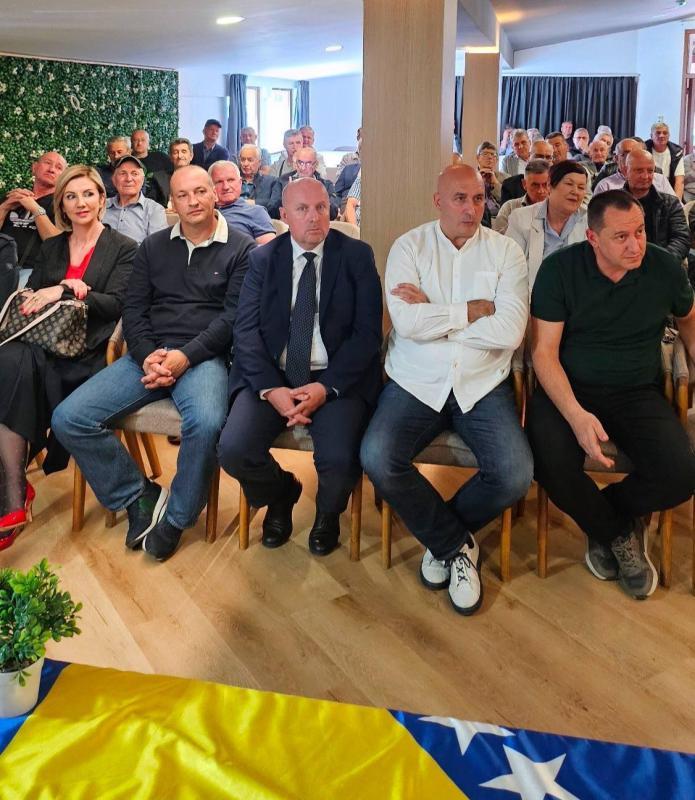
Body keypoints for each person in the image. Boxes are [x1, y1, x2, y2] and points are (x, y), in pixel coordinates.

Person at [52, 166, 255, 562]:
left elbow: (232, 318)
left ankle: (177, 518)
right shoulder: (153, 246)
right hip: (147, 356)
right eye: (183, 195)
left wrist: (185, 357)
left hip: (203, 358)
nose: (193, 201)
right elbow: (134, 309)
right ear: (171, 203)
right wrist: (147, 355)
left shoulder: (242, 248)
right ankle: (138, 495)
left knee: (207, 422)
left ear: (214, 194)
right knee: (68, 418)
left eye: (200, 191)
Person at [360, 164, 532, 616]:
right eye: (460, 199)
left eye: (478, 198)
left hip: (482, 383)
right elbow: (406, 323)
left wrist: (436, 313)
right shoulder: (409, 246)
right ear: (438, 201)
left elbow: (511, 331)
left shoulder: (506, 252)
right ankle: (456, 545)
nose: (471, 209)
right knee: (378, 457)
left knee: (514, 473)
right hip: (416, 380)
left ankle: (443, 540)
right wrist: (472, 311)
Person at [527, 190, 695, 600]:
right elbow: (543, 353)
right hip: (568, 387)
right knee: (548, 463)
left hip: (636, 390)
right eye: (621, 237)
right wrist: (576, 415)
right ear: (593, 238)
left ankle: (603, 515)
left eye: (640, 232)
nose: (635, 245)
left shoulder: (663, 267)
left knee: (680, 475)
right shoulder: (560, 270)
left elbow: (689, 322)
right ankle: (618, 533)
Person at [217, 178, 382, 557]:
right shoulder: (262, 259)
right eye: (303, 209)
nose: (314, 217)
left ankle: (328, 513)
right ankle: (281, 493)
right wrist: (271, 389)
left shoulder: (356, 256)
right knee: (234, 449)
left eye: (321, 208)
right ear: (284, 215)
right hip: (272, 375)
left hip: (335, 378)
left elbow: (367, 335)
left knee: (339, 458)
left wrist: (326, 388)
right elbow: (245, 332)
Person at [0, 165, 136, 550]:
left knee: (11, 366)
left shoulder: (124, 247)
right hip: (43, 344)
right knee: (10, 360)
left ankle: (12, 492)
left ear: (102, 199)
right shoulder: (52, 247)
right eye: (71, 196)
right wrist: (36, 295)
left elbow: (118, 305)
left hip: (89, 350)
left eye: (88, 194)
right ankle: (14, 491)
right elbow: (32, 297)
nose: (80, 203)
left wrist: (69, 289)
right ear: (60, 204)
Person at [506, 160, 588, 290]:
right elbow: (510, 268)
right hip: (532, 295)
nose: (575, 192)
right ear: (550, 185)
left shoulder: (590, 221)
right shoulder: (521, 218)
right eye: (569, 184)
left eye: (581, 187)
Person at [0, 151, 66, 277]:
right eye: (47, 163)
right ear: (34, 167)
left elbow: (57, 245)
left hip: (31, 272)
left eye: (59, 167)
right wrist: (4, 207)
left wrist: (35, 209)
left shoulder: (63, 205)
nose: (52, 169)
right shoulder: (12, 197)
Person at [622, 150, 689, 261]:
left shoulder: (670, 203)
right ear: (625, 171)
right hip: (623, 263)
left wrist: (661, 261)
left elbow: (681, 238)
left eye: (650, 171)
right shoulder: (613, 204)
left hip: (662, 262)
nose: (645, 176)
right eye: (639, 171)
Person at [103, 155, 168, 244]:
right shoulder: (101, 206)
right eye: (123, 173)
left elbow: (157, 247)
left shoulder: (154, 210)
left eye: (134, 173)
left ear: (142, 180)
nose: (129, 179)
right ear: (114, 180)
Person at [209, 160, 276, 245]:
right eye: (219, 182)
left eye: (230, 180)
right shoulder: (202, 213)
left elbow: (269, 250)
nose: (226, 187)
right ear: (210, 186)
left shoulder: (255, 212)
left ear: (240, 183)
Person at [268, 147, 339, 220]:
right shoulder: (282, 181)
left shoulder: (326, 185)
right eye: (300, 163)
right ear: (295, 164)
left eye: (308, 163)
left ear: (315, 165)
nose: (303, 168)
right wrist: (287, 196)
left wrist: (318, 198)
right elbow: (271, 211)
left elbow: (333, 213)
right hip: (289, 224)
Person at [593, 139, 676, 197]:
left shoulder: (660, 180)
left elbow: (678, 209)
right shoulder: (605, 186)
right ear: (616, 158)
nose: (632, 158)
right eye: (626, 154)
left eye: (637, 154)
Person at [493, 159, 551, 235]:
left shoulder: (559, 209)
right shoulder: (510, 207)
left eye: (545, 185)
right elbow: (497, 237)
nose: (541, 190)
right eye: (535, 185)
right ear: (524, 184)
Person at [500, 139, 554, 204]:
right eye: (539, 156)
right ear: (529, 157)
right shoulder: (511, 185)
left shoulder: (560, 184)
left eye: (548, 157)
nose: (543, 160)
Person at [646, 122, 684, 199]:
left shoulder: (677, 153)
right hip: (648, 189)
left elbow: (679, 181)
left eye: (665, 133)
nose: (661, 135)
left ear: (669, 136)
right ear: (651, 136)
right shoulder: (644, 150)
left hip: (669, 191)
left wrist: (677, 202)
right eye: (658, 133)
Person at [238, 144, 277, 210]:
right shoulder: (233, 181)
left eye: (250, 160)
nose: (245, 164)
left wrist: (253, 203)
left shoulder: (271, 181)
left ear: (259, 162)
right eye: (243, 160)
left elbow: (275, 204)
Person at [476, 141, 508, 218]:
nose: (490, 157)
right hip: (477, 216)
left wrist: (495, 183)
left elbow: (507, 201)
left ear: (496, 160)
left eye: (493, 155)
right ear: (477, 158)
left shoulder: (505, 178)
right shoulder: (470, 177)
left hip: (499, 217)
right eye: (485, 154)